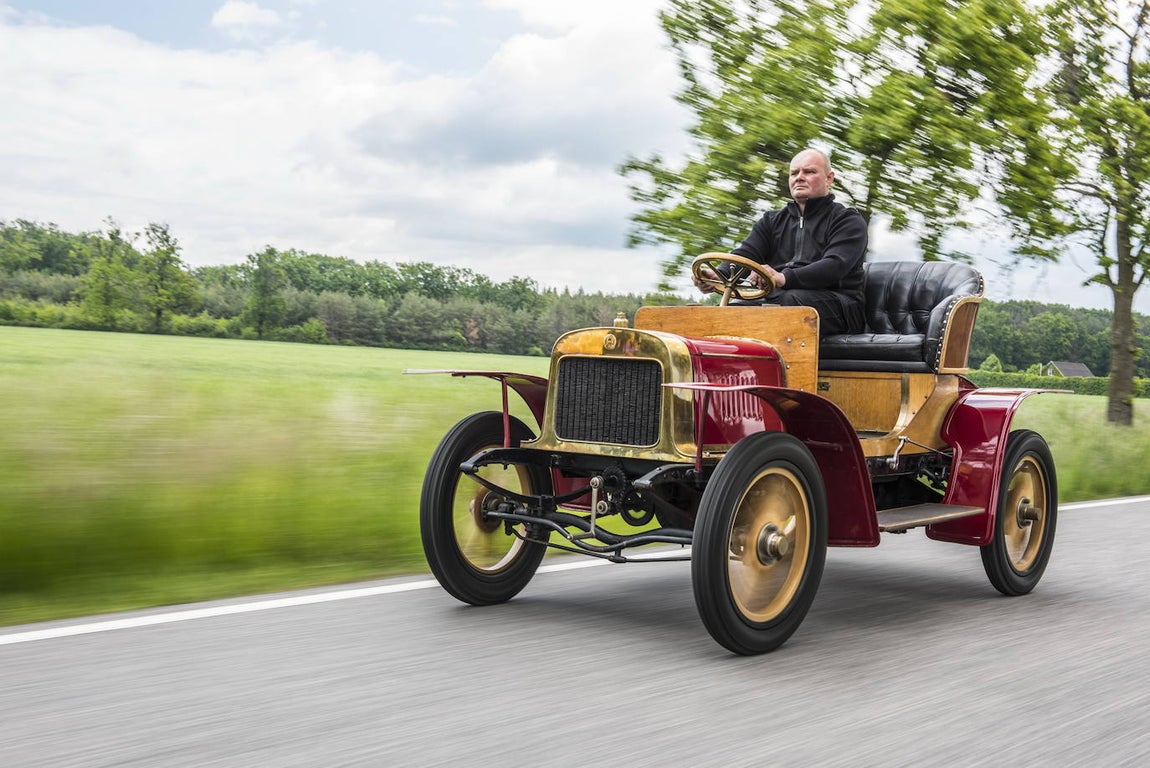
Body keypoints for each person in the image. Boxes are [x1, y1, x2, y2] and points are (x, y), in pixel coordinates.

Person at [694, 148, 867, 336]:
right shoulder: (771, 221)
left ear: (829, 178)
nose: (799, 178)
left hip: (841, 306)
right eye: (794, 173)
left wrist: (783, 277)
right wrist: (718, 274)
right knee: (732, 310)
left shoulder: (847, 220)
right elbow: (746, 254)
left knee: (789, 303)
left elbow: (834, 266)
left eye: (809, 172)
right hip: (781, 298)